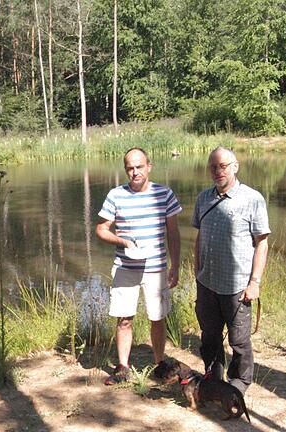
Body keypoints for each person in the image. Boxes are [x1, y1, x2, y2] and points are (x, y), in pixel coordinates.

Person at [96, 147, 182, 385]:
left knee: (158, 317)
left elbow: (173, 234)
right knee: (124, 318)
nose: (134, 172)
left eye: (139, 167)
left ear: (149, 167)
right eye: (130, 168)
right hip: (125, 267)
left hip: (156, 268)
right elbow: (101, 229)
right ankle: (122, 367)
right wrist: (122, 241)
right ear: (126, 170)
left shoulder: (164, 194)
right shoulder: (116, 195)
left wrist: (175, 265)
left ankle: (159, 364)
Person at [191, 147, 270, 395]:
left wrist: (254, 282)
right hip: (207, 282)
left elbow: (262, 243)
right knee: (210, 335)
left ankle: (239, 384)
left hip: (237, 285)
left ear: (235, 166)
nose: (217, 171)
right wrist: (197, 269)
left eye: (223, 166)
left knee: (239, 340)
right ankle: (214, 377)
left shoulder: (252, 199)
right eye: (213, 167)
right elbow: (199, 235)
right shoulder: (204, 198)